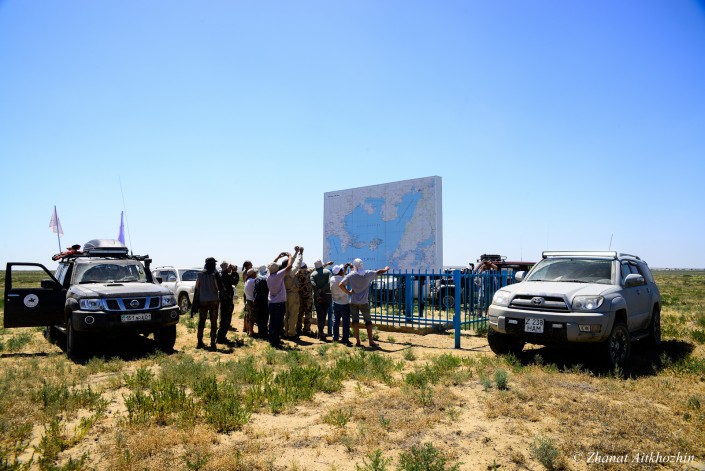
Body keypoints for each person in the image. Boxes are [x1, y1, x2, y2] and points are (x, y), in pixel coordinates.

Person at [338, 258, 390, 348]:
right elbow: (378, 272)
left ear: (354, 266)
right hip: (364, 302)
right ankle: (371, 341)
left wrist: (348, 292)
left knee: (355, 321)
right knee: (368, 321)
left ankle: (358, 341)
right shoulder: (368, 273)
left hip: (353, 301)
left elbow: (341, 285)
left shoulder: (351, 275)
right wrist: (385, 269)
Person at [193, 257, 223, 350]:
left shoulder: (200, 274)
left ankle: (199, 341)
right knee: (213, 322)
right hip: (214, 300)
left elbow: (197, 287)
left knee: (202, 321)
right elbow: (218, 287)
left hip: (203, 301)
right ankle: (213, 342)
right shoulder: (214, 274)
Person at [267, 251, 294, 348]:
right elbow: (289, 267)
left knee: (272, 322)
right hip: (279, 303)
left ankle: (272, 340)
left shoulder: (268, 276)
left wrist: (278, 257)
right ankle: (276, 342)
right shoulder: (278, 275)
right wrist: (290, 256)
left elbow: (271, 266)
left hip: (271, 302)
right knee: (278, 323)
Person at [279, 246, 303, 339]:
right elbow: (298, 263)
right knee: (293, 314)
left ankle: (286, 332)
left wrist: (295, 253)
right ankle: (292, 333)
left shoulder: (281, 273)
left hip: (285, 294)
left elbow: (291, 262)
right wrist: (300, 254)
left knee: (286, 314)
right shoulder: (291, 273)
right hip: (293, 295)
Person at [310, 259, 334, 341]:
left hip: (318, 297)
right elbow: (330, 282)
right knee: (324, 314)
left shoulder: (313, 274)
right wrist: (323, 289)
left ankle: (320, 332)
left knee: (319, 314)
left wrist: (317, 294)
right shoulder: (328, 272)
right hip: (327, 296)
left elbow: (313, 285)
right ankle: (321, 332)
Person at [330, 263, 353, 346]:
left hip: (336, 303)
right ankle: (345, 339)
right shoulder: (342, 279)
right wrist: (349, 292)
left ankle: (335, 337)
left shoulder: (332, 279)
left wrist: (345, 268)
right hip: (344, 303)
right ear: (340, 271)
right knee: (345, 322)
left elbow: (341, 275)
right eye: (341, 270)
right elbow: (348, 277)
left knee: (336, 321)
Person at [217, 261, 238, 344]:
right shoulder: (225, 275)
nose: (231, 268)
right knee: (226, 320)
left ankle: (221, 337)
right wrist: (234, 272)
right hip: (226, 301)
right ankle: (220, 338)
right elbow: (234, 281)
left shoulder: (221, 274)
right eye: (229, 267)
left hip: (224, 300)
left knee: (223, 319)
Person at [296, 262, 314, 336]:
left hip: (299, 296)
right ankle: (306, 329)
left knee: (299, 313)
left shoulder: (296, 273)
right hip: (308, 297)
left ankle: (298, 328)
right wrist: (327, 264)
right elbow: (316, 268)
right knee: (308, 313)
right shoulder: (308, 271)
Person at [253, 265, 270, 338]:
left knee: (259, 316)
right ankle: (264, 332)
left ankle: (260, 331)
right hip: (265, 300)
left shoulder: (256, 279)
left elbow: (255, 290)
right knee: (265, 316)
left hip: (258, 300)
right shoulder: (266, 280)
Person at [243, 268, 258, 337]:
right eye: (255, 273)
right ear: (252, 274)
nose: (256, 274)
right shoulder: (253, 281)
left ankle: (246, 328)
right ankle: (251, 331)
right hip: (252, 301)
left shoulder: (247, 281)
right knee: (252, 317)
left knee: (247, 315)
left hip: (248, 300)